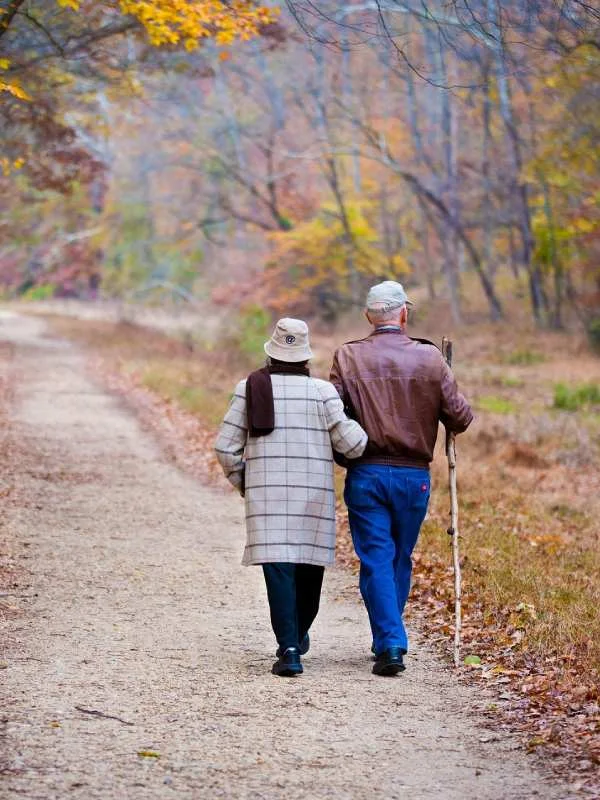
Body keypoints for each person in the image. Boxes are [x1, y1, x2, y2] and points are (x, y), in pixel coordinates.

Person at [330, 281, 473, 677]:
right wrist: (442, 380)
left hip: (367, 471)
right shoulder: (430, 358)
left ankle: (389, 639)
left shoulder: (347, 356)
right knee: (397, 557)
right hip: (414, 477)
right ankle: (390, 640)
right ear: (404, 314)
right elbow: (460, 417)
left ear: (368, 317)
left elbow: (332, 414)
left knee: (376, 557)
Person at [215, 318, 367, 677]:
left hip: (266, 498)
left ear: (271, 353)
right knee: (308, 569)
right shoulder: (323, 393)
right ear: (305, 358)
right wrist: (357, 421)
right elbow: (354, 445)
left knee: (278, 570)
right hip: (312, 495)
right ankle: (297, 636)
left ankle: (290, 648)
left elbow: (225, 447)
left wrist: (245, 482)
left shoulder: (248, 388)